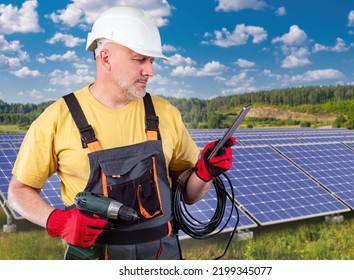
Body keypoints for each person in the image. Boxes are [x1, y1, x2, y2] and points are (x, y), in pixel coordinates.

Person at [7, 5, 235, 260]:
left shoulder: (166, 113)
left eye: (152, 60)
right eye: (140, 59)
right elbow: (18, 191)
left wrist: (204, 175)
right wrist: (57, 222)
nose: (150, 70)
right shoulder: (58, 118)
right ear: (105, 58)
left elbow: (190, 196)